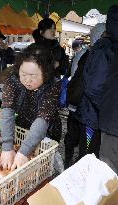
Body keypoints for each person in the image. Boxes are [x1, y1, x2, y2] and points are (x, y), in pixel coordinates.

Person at [0, 44, 61, 170]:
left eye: (33, 76)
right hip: (21, 127)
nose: (27, 80)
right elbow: (7, 109)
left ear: (46, 73)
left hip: (46, 132)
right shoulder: (13, 80)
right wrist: (7, 147)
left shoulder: (53, 85)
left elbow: (43, 119)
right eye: (24, 74)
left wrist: (23, 152)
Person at [76, 5, 118, 159]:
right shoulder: (104, 49)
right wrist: (109, 108)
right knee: (87, 158)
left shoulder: (109, 47)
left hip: (100, 116)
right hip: (93, 117)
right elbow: (94, 87)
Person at [64, 23, 106, 168]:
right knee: (87, 150)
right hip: (87, 111)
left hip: (78, 108)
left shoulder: (86, 54)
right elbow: (92, 87)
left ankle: (68, 161)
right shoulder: (96, 55)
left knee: (76, 140)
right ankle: (73, 168)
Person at [99, 5, 118, 173]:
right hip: (94, 116)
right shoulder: (104, 50)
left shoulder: (104, 49)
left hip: (105, 118)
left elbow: (95, 87)